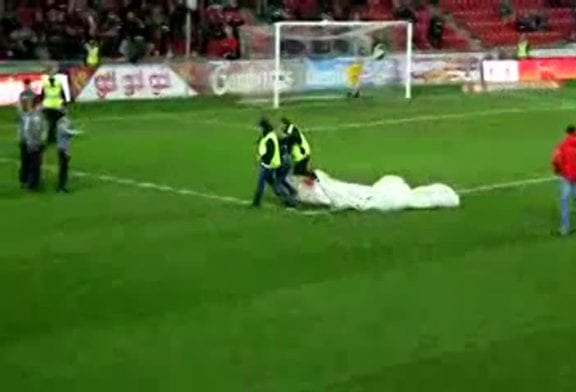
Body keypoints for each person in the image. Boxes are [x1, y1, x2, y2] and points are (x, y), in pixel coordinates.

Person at [252, 118, 297, 208]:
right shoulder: (270, 135)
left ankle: (290, 201)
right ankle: (291, 194)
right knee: (274, 182)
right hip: (275, 163)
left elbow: (270, 151)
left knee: (265, 183)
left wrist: (263, 158)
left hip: (270, 164)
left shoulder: (270, 137)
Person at [552, 125, 576, 236]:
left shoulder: (562, 145)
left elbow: (556, 159)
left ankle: (565, 228)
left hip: (567, 177)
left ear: (567, 133)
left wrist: (558, 170)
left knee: (564, 201)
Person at [23, 98, 45, 191]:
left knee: (37, 163)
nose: (42, 107)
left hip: (38, 142)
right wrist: (30, 142)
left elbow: (41, 129)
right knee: (33, 164)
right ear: (36, 105)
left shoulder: (40, 116)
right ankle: (31, 184)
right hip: (32, 143)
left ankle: (35, 183)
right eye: (40, 105)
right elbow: (27, 129)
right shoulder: (30, 115)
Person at [17, 79, 35, 187]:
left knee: (30, 160)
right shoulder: (22, 113)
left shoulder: (32, 95)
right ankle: (24, 180)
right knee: (25, 160)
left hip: (30, 139)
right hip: (24, 139)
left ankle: (29, 180)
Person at [40, 73, 66, 144]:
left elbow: (42, 95)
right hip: (56, 105)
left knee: (49, 122)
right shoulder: (58, 83)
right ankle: (52, 137)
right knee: (54, 122)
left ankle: (50, 137)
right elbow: (62, 94)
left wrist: (41, 104)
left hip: (47, 105)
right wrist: (64, 104)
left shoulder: (45, 83)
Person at [56, 114, 76, 192]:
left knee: (64, 168)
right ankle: (61, 187)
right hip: (62, 149)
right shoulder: (60, 126)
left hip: (64, 149)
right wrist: (76, 132)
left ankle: (63, 186)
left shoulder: (61, 124)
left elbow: (70, 133)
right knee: (63, 169)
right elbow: (68, 132)